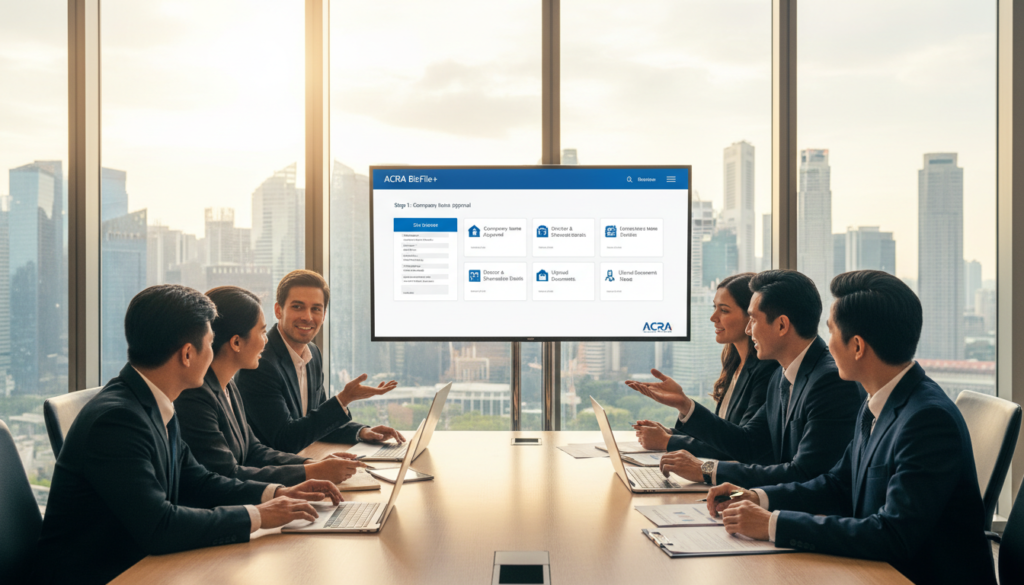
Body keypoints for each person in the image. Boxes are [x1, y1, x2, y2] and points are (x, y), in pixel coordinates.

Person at [34, 285, 343, 585]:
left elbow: (199, 480)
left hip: (140, 563)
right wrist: (258, 515)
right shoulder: (118, 420)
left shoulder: (153, 401)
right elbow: (159, 525)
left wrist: (277, 494)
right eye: (210, 344)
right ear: (187, 354)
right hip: (105, 573)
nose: (213, 353)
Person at [706, 270, 996, 585]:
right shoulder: (876, 403)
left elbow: (893, 534)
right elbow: (837, 485)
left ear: (857, 346)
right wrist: (756, 497)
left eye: (830, 332)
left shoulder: (927, 420)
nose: (825, 345)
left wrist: (773, 524)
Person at [628, 269, 863, 487]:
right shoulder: (783, 376)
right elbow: (751, 445)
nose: (749, 330)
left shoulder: (829, 382)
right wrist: (684, 406)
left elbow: (804, 475)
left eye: (753, 319)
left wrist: (707, 470)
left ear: (781, 325)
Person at [176, 286, 367, 486]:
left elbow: (253, 450)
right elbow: (226, 474)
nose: (265, 340)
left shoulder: (228, 387)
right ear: (236, 342)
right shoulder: (196, 397)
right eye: (262, 332)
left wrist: (311, 464)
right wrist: (309, 473)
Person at [238, 269, 403, 453]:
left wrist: (362, 432)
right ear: (278, 310)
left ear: (324, 315)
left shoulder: (313, 353)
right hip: (275, 473)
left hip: (306, 460)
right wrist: (344, 399)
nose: (307, 317)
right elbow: (285, 440)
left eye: (316, 309)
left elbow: (314, 423)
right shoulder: (260, 363)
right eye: (297, 306)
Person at [631, 273, 778, 458]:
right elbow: (723, 435)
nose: (713, 317)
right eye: (714, 308)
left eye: (724, 310)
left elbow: (741, 445)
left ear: (750, 315)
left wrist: (668, 441)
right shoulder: (734, 363)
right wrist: (672, 431)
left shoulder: (767, 369)